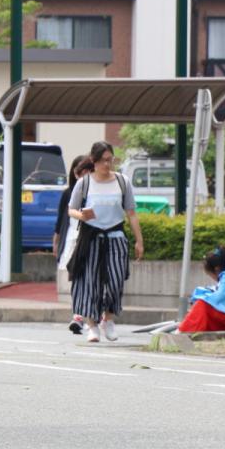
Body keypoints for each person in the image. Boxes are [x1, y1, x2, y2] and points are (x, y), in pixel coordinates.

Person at [66, 141, 144, 343]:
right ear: (93, 161)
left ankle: (107, 319)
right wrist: (81, 215)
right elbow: (71, 208)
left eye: (110, 160)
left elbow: (132, 213)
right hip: (91, 238)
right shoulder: (85, 183)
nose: (107, 165)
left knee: (116, 280)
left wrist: (139, 241)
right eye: (103, 161)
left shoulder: (122, 181)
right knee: (90, 282)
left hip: (116, 237)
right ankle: (92, 326)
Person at [55, 154, 92, 334]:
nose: (82, 178)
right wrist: (57, 242)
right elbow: (62, 219)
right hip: (73, 239)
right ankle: (78, 315)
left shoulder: (97, 191)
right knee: (77, 276)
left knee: (91, 278)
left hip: (92, 239)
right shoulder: (69, 193)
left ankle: (91, 315)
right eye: (79, 173)